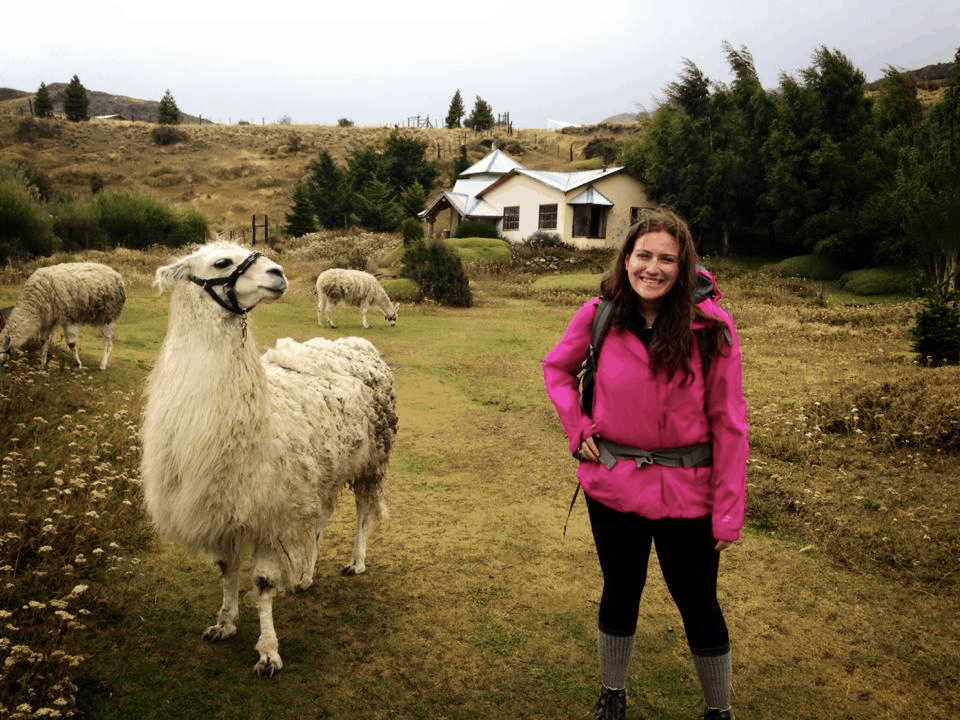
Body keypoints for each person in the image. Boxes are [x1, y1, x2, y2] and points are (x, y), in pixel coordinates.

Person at [542, 206, 748, 720]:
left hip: (690, 494)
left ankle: (718, 709)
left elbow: (729, 422)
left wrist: (727, 511)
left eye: (666, 260)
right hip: (613, 486)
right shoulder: (598, 315)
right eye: (643, 256)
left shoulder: (710, 328)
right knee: (620, 588)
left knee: (698, 601)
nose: (652, 268)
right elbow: (557, 369)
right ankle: (613, 693)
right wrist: (578, 427)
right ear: (626, 258)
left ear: (683, 268)